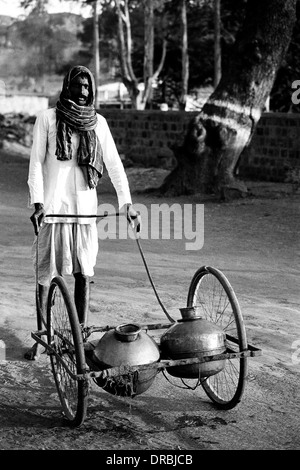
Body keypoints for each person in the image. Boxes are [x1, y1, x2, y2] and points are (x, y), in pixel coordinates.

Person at [25, 65, 140, 360]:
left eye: (87, 87)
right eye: (77, 85)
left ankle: (80, 336)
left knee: (84, 274)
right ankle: (43, 336)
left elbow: (114, 165)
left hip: (85, 213)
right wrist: (38, 203)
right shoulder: (47, 119)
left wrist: (126, 203)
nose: (83, 91)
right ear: (67, 87)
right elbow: (36, 164)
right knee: (44, 275)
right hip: (52, 211)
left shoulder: (98, 123)